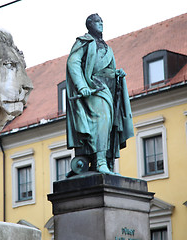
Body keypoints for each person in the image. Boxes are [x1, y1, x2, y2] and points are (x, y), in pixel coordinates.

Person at [66, 13, 134, 175]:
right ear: (89, 25)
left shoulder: (107, 47)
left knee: (110, 125)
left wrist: (117, 73)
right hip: (93, 87)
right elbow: (73, 62)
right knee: (101, 120)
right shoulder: (83, 42)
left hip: (108, 88)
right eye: (97, 22)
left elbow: (107, 69)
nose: (101, 24)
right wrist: (82, 86)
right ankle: (101, 161)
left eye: (102, 21)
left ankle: (101, 161)